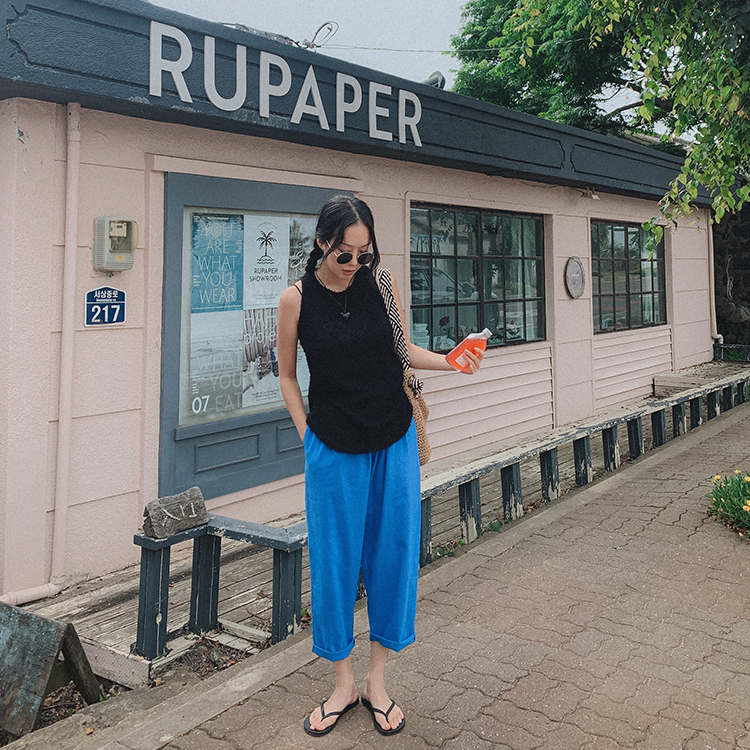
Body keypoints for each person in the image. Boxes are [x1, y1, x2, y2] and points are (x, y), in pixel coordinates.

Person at [276, 196, 484, 737]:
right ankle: (342, 684)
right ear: (322, 243)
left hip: (393, 440)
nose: (356, 264)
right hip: (332, 448)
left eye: (364, 254)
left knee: (393, 556)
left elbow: (402, 350)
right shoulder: (295, 300)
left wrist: (452, 360)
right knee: (335, 564)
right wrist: (307, 437)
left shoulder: (381, 284)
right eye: (345, 254)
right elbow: (286, 375)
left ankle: (376, 681)